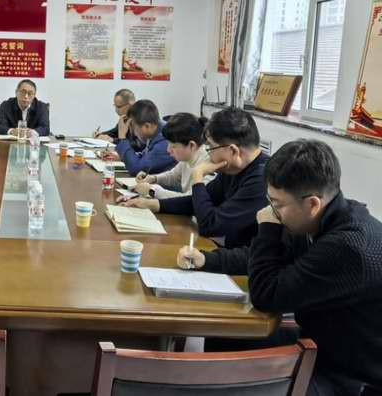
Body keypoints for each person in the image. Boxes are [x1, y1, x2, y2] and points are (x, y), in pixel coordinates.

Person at [176, 140, 382, 395]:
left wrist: (268, 228)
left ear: (312, 204)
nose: (270, 211)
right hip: (323, 340)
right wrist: (207, 260)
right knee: (227, 338)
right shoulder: (322, 217)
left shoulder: (349, 247)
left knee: (232, 384)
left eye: (277, 204)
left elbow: (266, 295)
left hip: (352, 375)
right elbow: (267, 256)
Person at [119, 107, 268, 248]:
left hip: (240, 261)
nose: (208, 153)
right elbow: (193, 202)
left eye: (211, 147)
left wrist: (198, 176)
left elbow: (209, 225)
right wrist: (151, 204)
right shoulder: (233, 169)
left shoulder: (261, 180)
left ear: (233, 151)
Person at [133, 112, 214, 199]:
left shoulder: (209, 164)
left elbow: (190, 199)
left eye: (173, 146)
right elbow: (173, 176)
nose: (168, 150)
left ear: (191, 145)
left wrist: (152, 190)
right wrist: (153, 178)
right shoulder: (188, 157)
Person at [111, 99, 176, 176]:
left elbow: (136, 169)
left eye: (134, 129)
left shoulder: (166, 140)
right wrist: (123, 157)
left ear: (147, 126)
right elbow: (146, 156)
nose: (135, 134)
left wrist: (122, 138)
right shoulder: (156, 130)